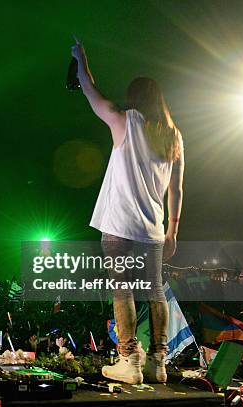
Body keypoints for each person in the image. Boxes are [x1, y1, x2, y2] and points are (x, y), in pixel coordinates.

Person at [71, 39, 184, 384]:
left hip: (120, 226)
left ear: (134, 98)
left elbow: (90, 90)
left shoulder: (124, 122)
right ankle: (158, 362)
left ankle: (129, 358)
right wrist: (173, 231)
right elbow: (176, 190)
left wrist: (81, 59)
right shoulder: (173, 136)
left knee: (122, 289)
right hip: (153, 229)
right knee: (155, 290)